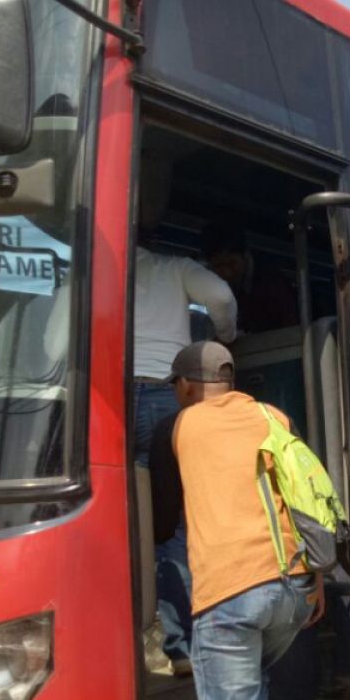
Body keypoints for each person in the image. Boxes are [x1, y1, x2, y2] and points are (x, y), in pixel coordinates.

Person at [167, 340, 325, 700]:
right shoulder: (273, 417)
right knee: (248, 684)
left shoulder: (183, 424)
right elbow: (297, 496)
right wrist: (315, 576)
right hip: (292, 592)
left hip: (229, 598)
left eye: (177, 384)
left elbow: (163, 517)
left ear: (189, 386)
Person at [133, 227, 238, 674]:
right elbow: (221, 296)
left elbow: (51, 343)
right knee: (171, 522)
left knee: (123, 520)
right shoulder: (172, 267)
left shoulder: (96, 272)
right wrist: (225, 337)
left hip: (109, 399)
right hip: (164, 397)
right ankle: (181, 649)